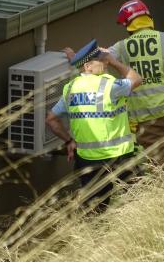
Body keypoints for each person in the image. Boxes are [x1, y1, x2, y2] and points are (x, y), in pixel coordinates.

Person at [46, 40, 142, 213]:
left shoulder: (70, 89)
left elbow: (51, 119)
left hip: (88, 161)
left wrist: (69, 141)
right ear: (88, 66)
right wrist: (114, 61)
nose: (105, 63)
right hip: (119, 157)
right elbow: (136, 79)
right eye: (101, 60)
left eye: (105, 60)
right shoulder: (109, 86)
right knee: (136, 204)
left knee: (94, 211)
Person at [109, 0, 164, 163]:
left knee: (159, 165)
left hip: (146, 117)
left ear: (128, 24)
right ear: (148, 17)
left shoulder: (120, 47)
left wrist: (75, 57)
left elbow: (99, 58)